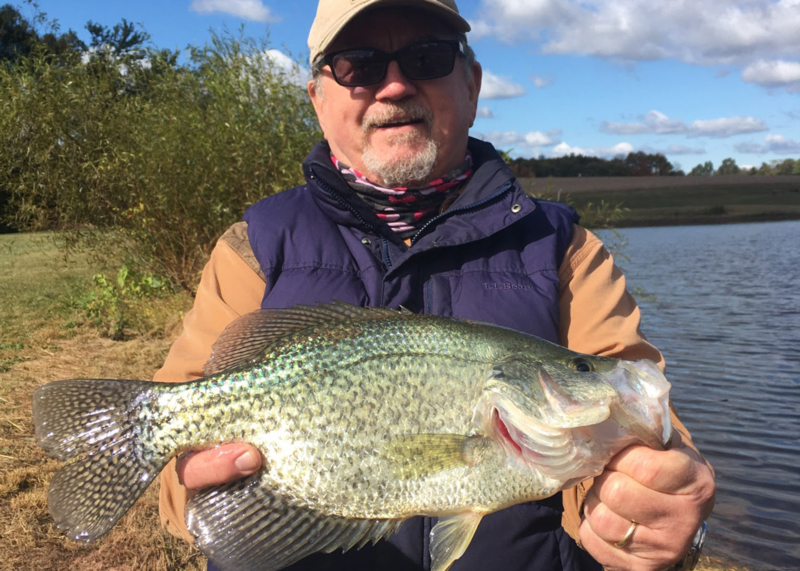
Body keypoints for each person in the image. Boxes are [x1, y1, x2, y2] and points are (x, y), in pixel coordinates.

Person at [155, 0, 716, 570]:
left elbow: (645, 436)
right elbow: (175, 483)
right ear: (318, 101)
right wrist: (187, 480)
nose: (395, 86)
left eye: (427, 57)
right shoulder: (253, 247)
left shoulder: (566, 249)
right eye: (358, 66)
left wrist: (655, 516)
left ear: (472, 85)